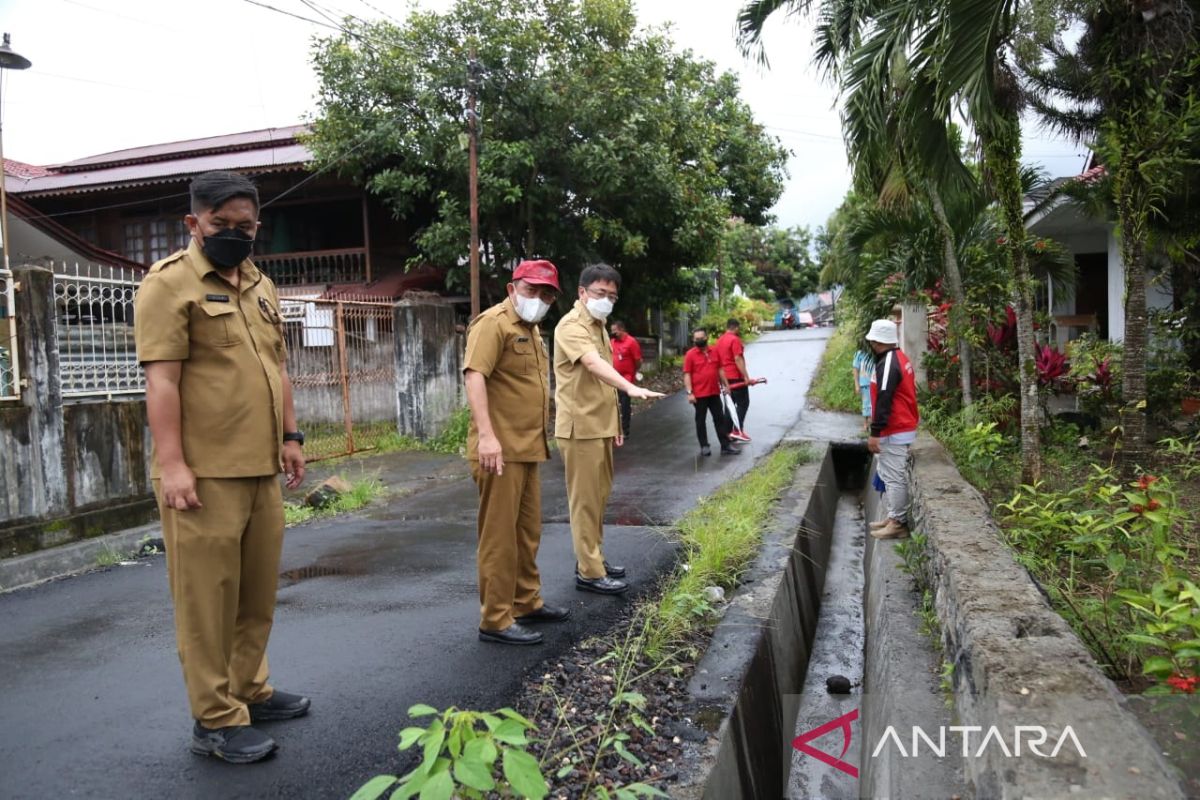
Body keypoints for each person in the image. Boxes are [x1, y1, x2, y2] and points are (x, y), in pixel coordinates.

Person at [133, 171, 309, 765]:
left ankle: (249, 691)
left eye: (245, 226)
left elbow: (277, 367)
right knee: (207, 602)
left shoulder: (260, 284)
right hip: (203, 476)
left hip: (260, 466)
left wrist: (290, 436)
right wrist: (173, 464)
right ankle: (214, 719)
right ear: (194, 223)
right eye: (220, 225)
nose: (234, 235)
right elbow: (162, 381)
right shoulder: (168, 284)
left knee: (256, 593)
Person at [464, 259, 571, 646]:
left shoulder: (533, 328)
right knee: (499, 537)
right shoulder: (493, 323)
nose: (538, 299)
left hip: (528, 449)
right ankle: (495, 619)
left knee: (527, 533)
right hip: (499, 450)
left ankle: (525, 602)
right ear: (513, 288)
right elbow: (475, 376)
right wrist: (487, 437)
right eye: (532, 290)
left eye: (546, 294)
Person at [554, 264, 664, 595]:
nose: (606, 300)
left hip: (599, 426)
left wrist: (615, 423)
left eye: (612, 296)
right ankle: (589, 572)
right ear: (582, 292)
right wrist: (630, 388)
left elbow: (599, 385)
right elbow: (593, 365)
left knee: (599, 499)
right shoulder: (571, 326)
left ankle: (594, 559)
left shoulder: (599, 325)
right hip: (580, 428)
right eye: (600, 293)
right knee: (585, 502)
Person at [864, 319, 920, 540]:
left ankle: (898, 522)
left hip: (894, 427)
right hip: (899, 425)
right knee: (888, 472)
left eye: (873, 341)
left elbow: (885, 397)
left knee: (894, 476)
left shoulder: (888, 362)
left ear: (878, 341)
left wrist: (875, 432)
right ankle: (893, 517)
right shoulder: (898, 358)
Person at [683, 328, 739, 457]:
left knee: (720, 419)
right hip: (699, 394)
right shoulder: (690, 355)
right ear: (693, 340)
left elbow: (720, 369)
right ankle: (704, 446)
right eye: (696, 339)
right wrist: (689, 392)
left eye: (701, 338)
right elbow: (687, 374)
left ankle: (725, 445)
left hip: (714, 392)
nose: (699, 341)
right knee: (700, 420)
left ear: (706, 337)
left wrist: (726, 385)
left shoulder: (714, 351)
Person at [714, 318, 751, 442]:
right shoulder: (734, 339)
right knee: (743, 403)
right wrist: (746, 376)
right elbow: (738, 359)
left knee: (729, 406)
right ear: (736, 327)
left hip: (724, 378)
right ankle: (737, 430)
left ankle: (727, 433)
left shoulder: (719, 340)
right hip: (735, 377)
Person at [609, 319, 643, 438]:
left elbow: (638, 360)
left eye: (615, 331)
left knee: (624, 403)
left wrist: (634, 372)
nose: (613, 333)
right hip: (613, 377)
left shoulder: (631, 342)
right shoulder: (612, 342)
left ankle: (624, 429)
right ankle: (613, 429)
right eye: (612, 331)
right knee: (612, 403)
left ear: (622, 329)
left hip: (626, 378)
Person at [852, 346, 875, 432]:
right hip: (865, 383)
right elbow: (855, 369)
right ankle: (865, 424)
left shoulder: (875, 353)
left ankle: (873, 424)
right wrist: (856, 384)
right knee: (866, 404)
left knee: (874, 404)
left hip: (875, 383)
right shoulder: (859, 354)